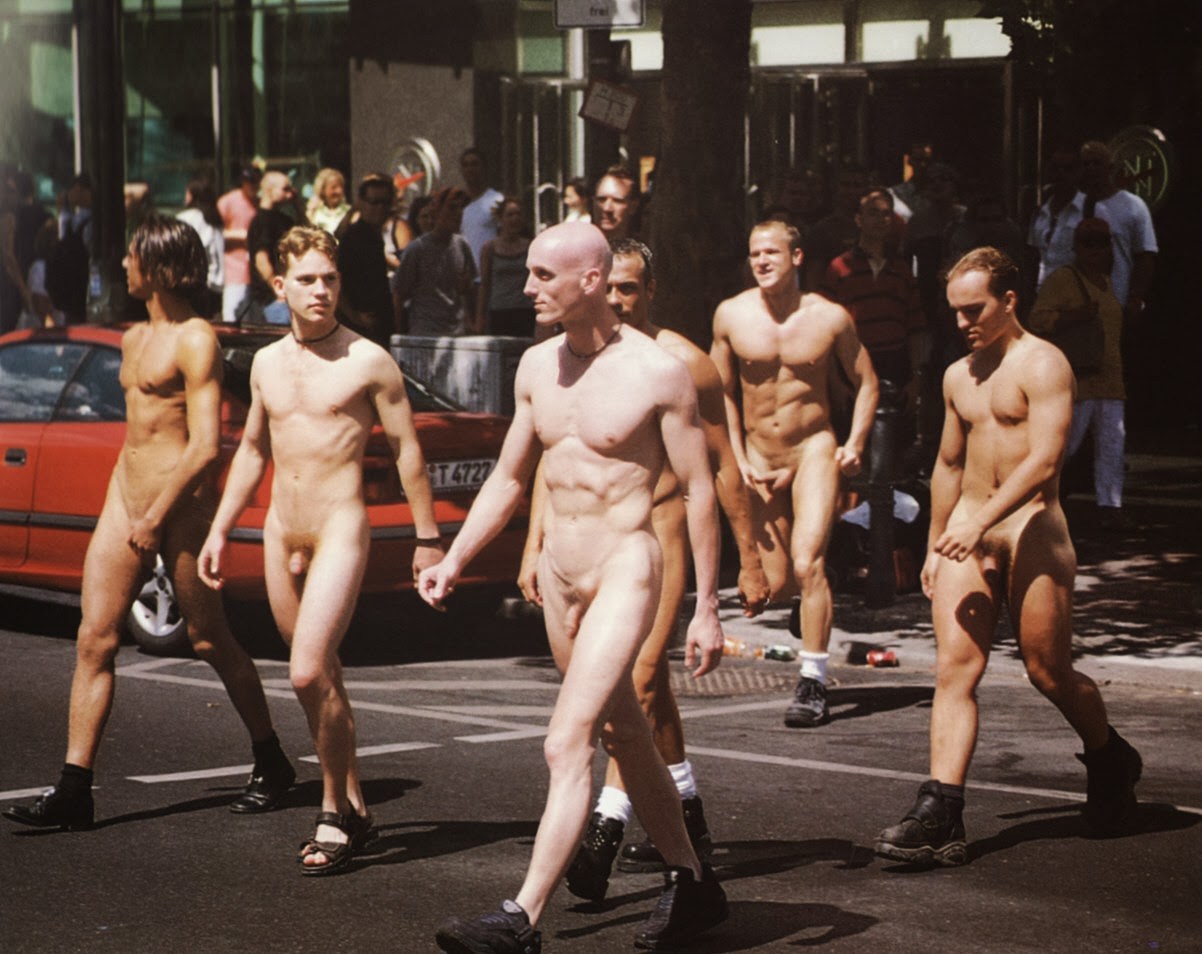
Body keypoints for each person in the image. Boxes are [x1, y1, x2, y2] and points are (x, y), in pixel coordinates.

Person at [422, 222, 729, 953]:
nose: (526, 287)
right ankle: (694, 882)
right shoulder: (536, 367)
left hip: (626, 567)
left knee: (568, 741)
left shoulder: (657, 372)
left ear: (590, 281)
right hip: (561, 575)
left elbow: (699, 488)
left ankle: (520, 917)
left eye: (543, 275)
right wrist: (455, 556)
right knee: (627, 732)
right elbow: (509, 477)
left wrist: (709, 607)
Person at [3, 215, 294, 832]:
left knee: (210, 639)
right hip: (125, 499)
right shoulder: (134, 337)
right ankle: (73, 789)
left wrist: (157, 516)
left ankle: (271, 761)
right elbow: (138, 435)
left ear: (158, 267)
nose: (123, 265)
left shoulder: (196, 339)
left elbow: (205, 446)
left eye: (132, 256)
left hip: (181, 506)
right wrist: (127, 506)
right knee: (94, 638)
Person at [517, 238, 770, 902]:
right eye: (613, 287)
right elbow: (553, 458)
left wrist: (747, 562)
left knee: (642, 678)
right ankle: (686, 819)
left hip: (657, 534)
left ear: (648, 290)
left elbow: (718, 471)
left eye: (630, 288)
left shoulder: (679, 364)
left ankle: (605, 823)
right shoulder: (561, 359)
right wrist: (533, 545)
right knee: (628, 707)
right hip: (580, 547)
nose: (619, 299)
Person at [875, 247, 1142, 868]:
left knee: (1048, 672)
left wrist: (980, 522)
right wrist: (937, 541)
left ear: (1009, 300)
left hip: (1031, 531)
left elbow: (1046, 459)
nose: (962, 322)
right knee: (955, 671)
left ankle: (1109, 757)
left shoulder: (1044, 363)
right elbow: (948, 463)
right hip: (967, 533)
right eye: (955, 311)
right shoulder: (957, 376)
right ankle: (940, 811)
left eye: (974, 309)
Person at [198, 225, 442, 875]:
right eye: (306, 279)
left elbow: (408, 451)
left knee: (306, 671)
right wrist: (220, 529)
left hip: (339, 525)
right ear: (279, 285)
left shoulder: (368, 360)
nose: (320, 290)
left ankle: (332, 810)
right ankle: (355, 805)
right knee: (320, 677)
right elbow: (253, 450)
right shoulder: (266, 363)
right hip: (282, 530)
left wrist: (427, 539)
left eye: (329, 279)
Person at [711, 219, 878, 728]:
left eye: (772, 252)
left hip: (812, 450)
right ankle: (821, 583)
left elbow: (868, 382)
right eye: (754, 253)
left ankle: (812, 681)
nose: (761, 261)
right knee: (779, 585)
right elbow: (720, 393)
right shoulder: (731, 315)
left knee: (808, 564)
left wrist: (855, 443)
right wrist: (737, 457)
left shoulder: (829, 318)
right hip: (759, 457)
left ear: (797, 257)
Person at [1028, 218, 1130, 530]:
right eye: (1087, 242)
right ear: (1076, 246)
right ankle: (1035, 501)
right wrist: (1073, 317)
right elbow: (1037, 319)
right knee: (1065, 445)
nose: (1094, 249)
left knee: (1112, 446)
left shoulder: (1109, 281)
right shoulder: (1063, 279)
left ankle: (1110, 508)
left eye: (1101, 242)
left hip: (1110, 380)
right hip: (1077, 379)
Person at [1078, 140, 1157, 324]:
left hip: (1117, 303)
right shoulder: (1073, 206)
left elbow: (1145, 256)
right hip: (1077, 309)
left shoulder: (1133, 206)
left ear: (1110, 168)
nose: (1091, 169)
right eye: (1086, 164)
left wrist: (1135, 298)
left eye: (1097, 163)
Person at [391, 186, 477, 336]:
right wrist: (399, 335)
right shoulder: (417, 249)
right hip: (425, 331)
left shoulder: (462, 245)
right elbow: (399, 294)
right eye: (452, 208)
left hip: (456, 331)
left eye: (461, 209)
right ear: (436, 211)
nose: (458, 214)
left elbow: (468, 291)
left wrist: (471, 322)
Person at [335, 173, 395, 346]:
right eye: (374, 202)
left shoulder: (373, 236)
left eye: (385, 202)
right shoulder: (355, 237)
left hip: (376, 325)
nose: (380, 208)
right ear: (361, 203)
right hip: (358, 330)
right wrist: (356, 318)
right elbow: (336, 282)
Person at [244, 170, 303, 325]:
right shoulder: (262, 221)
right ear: (270, 190)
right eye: (285, 189)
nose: (291, 194)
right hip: (270, 299)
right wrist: (276, 289)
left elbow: (308, 235)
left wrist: (298, 206)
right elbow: (261, 260)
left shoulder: (284, 220)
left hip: (285, 295)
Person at [1025, 143, 1086, 294]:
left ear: (1078, 172)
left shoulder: (1091, 210)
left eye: (1068, 169)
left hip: (1077, 295)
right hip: (1043, 294)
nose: (1061, 174)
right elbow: (1033, 258)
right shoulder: (1039, 212)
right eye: (1055, 168)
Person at [476, 195, 534, 337]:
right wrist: (480, 318)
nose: (515, 219)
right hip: (499, 312)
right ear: (500, 219)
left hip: (525, 311)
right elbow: (485, 285)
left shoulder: (530, 246)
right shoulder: (490, 248)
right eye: (510, 215)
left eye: (518, 214)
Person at [176, 177, 225, 320]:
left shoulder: (188, 218)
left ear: (192, 195)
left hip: (199, 285)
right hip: (218, 285)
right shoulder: (215, 219)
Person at [217, 165, 261, 323]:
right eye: (248, 181)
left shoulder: (260, 202)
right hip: (234, 270)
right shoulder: (228, 201)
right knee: (232, 314)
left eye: (255, 181)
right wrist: (241, 235)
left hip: (256, 272)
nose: (252, 185)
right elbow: (215, 233)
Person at [458, 146, 504, 267]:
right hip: (464, 273)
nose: (470, 169)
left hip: (489, 271)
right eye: (466, 165)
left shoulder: (496, 200)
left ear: (484, 168)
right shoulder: (457, 202)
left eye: (474, 164)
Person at [591, 165, 640, 242]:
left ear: (633, 206)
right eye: (601, 199)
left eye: (617, 201)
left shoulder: (643, 248)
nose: (607, 208)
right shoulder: (577, 246)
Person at [306, 167, 350, 235]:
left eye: (341, 187)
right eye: (334, 187)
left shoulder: (349, 212)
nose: (339, 191)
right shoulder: (314, 213)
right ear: (322, 190)